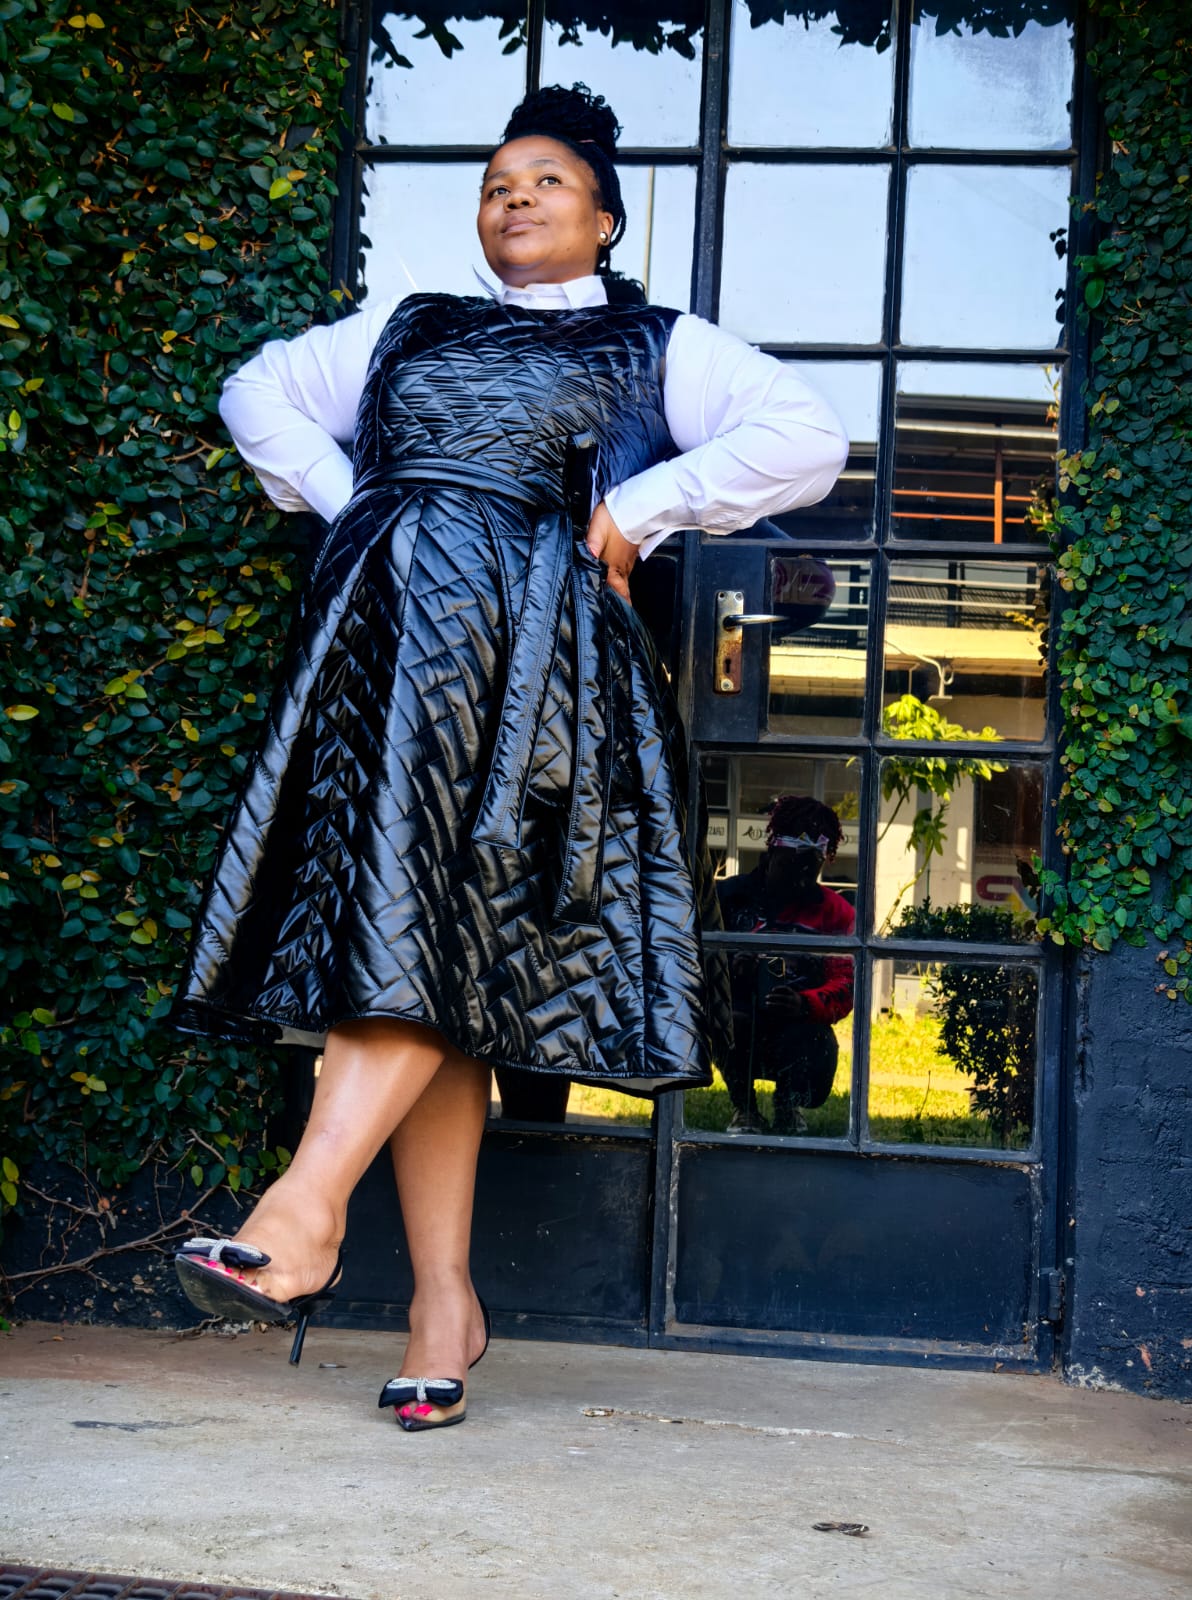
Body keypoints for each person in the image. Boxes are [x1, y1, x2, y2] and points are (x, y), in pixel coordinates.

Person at [169, 83, 848, 1431]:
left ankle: (304, 1213)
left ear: (605, 218)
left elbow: (809, 437)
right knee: (434, 956)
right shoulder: (409, 325)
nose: (515, 198)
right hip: (389, 663)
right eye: (495, 183)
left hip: (544, 675)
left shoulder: (657, 343)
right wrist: (356, 499)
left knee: (436, 931)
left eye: (546, 181)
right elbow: (257, 390)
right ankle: (444, 1309)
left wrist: (642, 508)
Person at [717, 796, 854, 1135]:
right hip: (742, 1017)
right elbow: (694, 967)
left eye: (811, 869)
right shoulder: (729, 898)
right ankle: (745, 1109)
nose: (800, 881)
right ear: (771, 854)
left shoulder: (835, 912)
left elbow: (847, 982)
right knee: (729, 1023)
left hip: (799, 1026)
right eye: (793, 867)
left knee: (814, 1041)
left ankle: (787, 1106)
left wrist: (804, 1004)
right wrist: (733, 971)